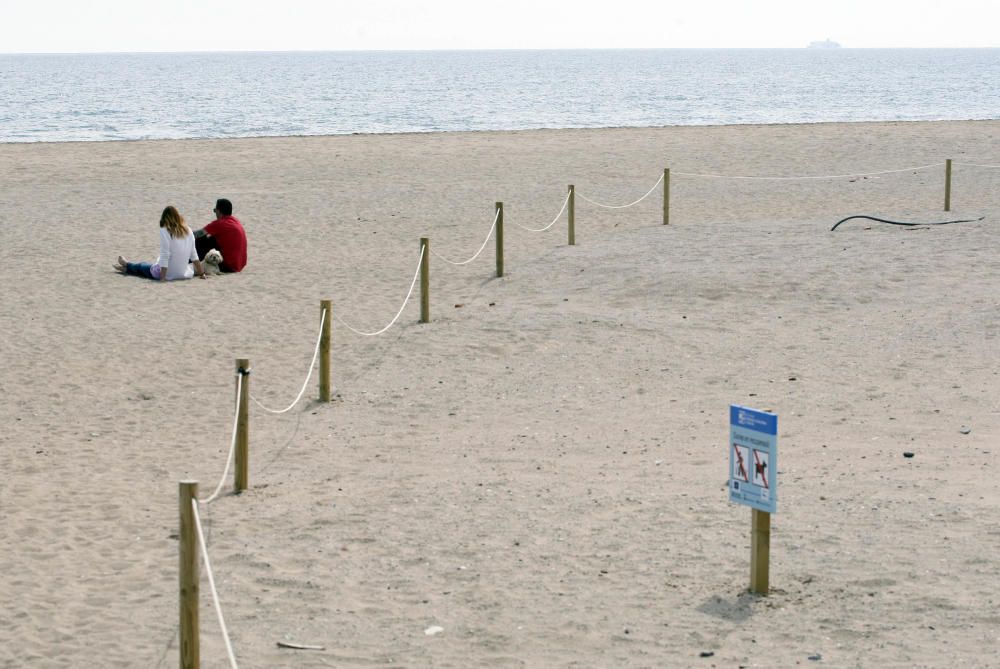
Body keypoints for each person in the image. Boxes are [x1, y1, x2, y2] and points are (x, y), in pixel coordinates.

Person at [114, 206, 206, 281]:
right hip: (183, 274)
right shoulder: (188, 230)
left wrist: (163, 277)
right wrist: (202, 273)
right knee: (146, 267)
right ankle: (126, 269)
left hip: (168, 273)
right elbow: (194, 255)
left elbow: (165, 254)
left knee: (142, 266)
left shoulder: (165, 230)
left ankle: (127, 265)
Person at [195, 198, 247, 273]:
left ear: (219, 211)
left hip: (228, 266)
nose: (215, 213)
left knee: (200, 240)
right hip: (239, 265)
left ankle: (191, 262)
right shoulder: (236, 222)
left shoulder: (220, 223)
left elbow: (198, 234)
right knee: (212, 238)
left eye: (215, 210)